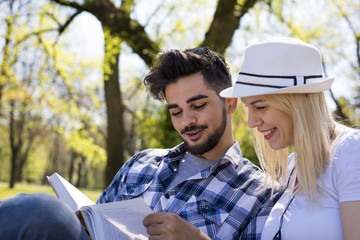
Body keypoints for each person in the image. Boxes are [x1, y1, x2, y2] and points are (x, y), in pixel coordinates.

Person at [0, 47, 276, 240]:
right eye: (176, 112)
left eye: (199, 105)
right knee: (40, 212)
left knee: (41, 212)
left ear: (230, 103)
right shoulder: (142, 162)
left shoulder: (260, 193)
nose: (186, 121)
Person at [220, 38, 360, 239]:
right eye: (248, 108)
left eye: (260, 107)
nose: (251, 122)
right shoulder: (292, 167)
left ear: (303, 99)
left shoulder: (351, 151)